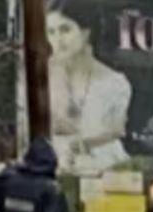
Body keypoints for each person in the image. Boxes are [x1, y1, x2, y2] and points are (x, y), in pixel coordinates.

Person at [45, 1, 131, 176]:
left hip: (103, 170)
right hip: (51, 169)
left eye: (65, 30)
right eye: (51, 32)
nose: (57, 40)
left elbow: (116, 130)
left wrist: (81, 141)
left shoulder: (114, 83)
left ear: (85, 33)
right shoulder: (38, 79)